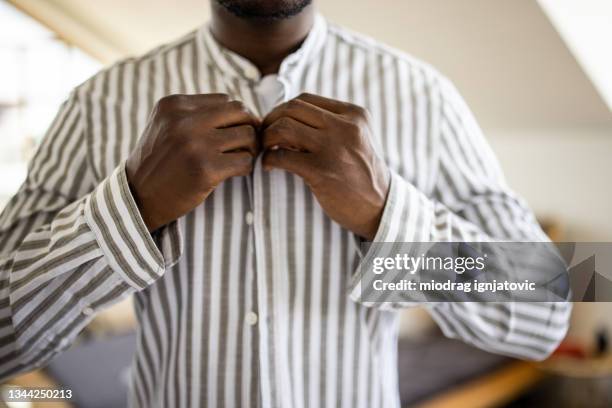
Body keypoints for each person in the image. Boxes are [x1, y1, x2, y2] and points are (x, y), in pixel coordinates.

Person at [0, 1, 571, 407]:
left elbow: (545, 308)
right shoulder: (100, 102)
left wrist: (387, 214)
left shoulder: (425, 97)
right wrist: (132, 205)